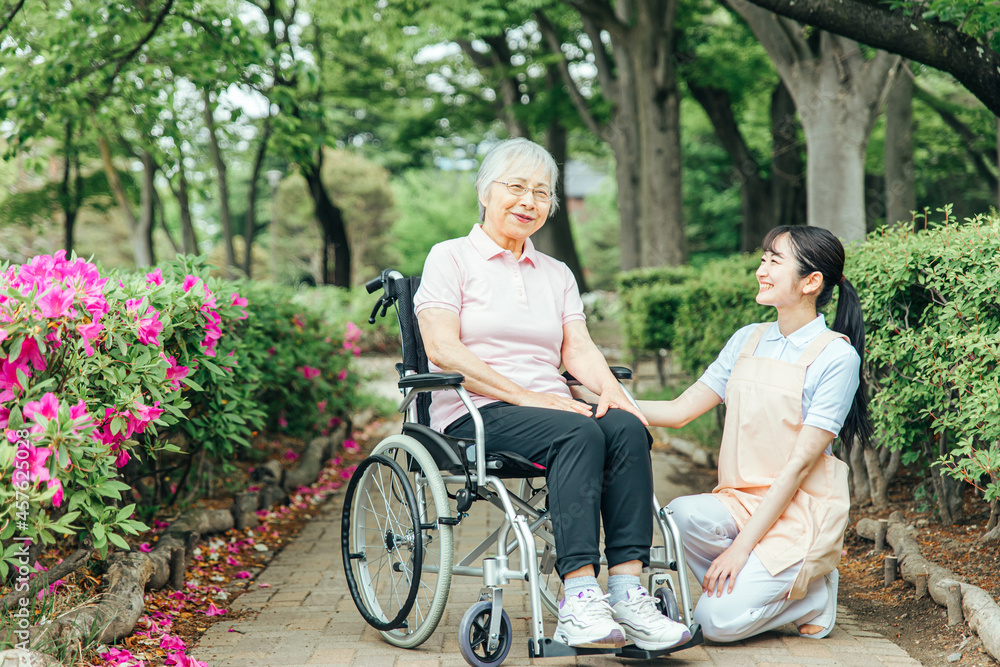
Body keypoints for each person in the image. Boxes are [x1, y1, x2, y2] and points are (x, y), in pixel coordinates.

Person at [413, 137, 690, 651]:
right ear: (483, 191)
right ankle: (579, 599)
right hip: (477, 410)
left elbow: (578, 349)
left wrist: (616, 396)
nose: (528, 201)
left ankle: (629, 592)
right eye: (515, 187)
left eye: (541, 192)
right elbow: (442, 349)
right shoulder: (450, 258)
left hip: (554, 408)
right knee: (580, 431)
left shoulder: (556, 273)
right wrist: (524, 395)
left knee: (624, 427)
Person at [639, 225, 872, 643]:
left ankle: (812, 594)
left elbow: (799, 467)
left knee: (715, 623)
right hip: (739, 503)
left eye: (774, 261)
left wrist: (739, 549)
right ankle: (757, 586)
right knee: (681, 516)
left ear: (811, 282)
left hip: (799, 512)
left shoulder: (836, 356)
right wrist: (594, 396)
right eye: (763, 259)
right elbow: (677, 411)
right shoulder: (748, 339)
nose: (761, 270)